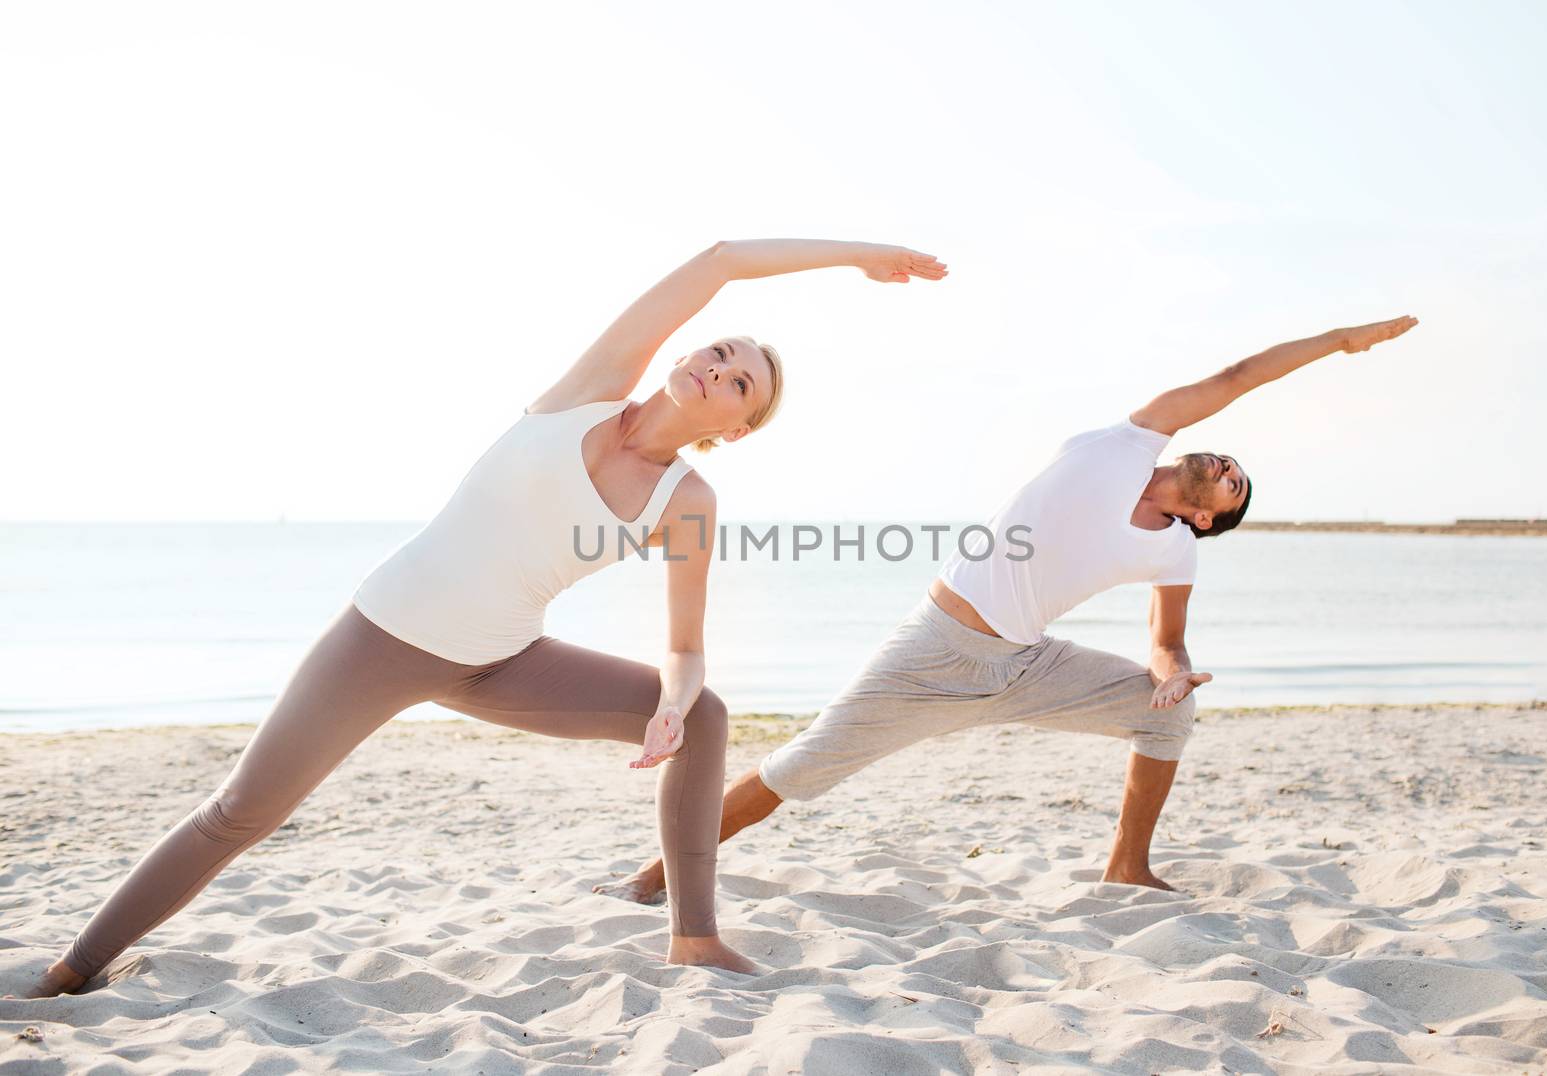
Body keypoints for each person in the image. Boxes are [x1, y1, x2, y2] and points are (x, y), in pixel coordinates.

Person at [15, 238, 949, 998]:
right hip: (381, 635)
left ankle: (694, 937)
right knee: (239, 812)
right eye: (719, 352)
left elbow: (686, 646)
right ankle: (72, 969)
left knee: (703, 716)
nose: (718, 367)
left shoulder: (687, 497)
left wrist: (673, 699)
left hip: (499, 664)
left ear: (737, 429)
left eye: (741, 381)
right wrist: (858, 256)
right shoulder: (584, 393)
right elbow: (717, 262)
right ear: (682, 355)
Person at [600, 315, 1419, 904]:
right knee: (798, 770)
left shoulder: (1177, 552)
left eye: (1234, 483)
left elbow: (1167, 641)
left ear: (1207, 517)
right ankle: (655, 877)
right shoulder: (1128, 439)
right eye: (1230, 461)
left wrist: (1170, 677)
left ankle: (1126, 866)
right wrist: (1340, 342)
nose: (1225, 463)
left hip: (1025, 663)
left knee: (1170, 717)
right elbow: (1240, 378)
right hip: (934, 650)